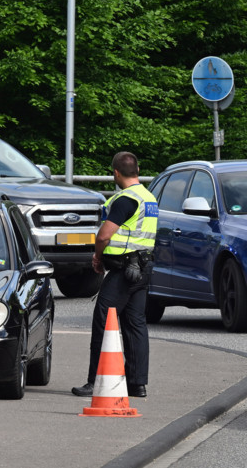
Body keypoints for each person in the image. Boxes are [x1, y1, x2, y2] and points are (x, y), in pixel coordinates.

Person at [72, 152, 158, 399]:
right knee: (135, 324)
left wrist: (98, 257)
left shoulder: (125, 200)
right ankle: (137, 383)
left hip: (124, 269)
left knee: (103, 320)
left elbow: (104, 235)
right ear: (138, 170)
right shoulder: (148, 197)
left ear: (116, 173)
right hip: (143, 268)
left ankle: (96, 381)